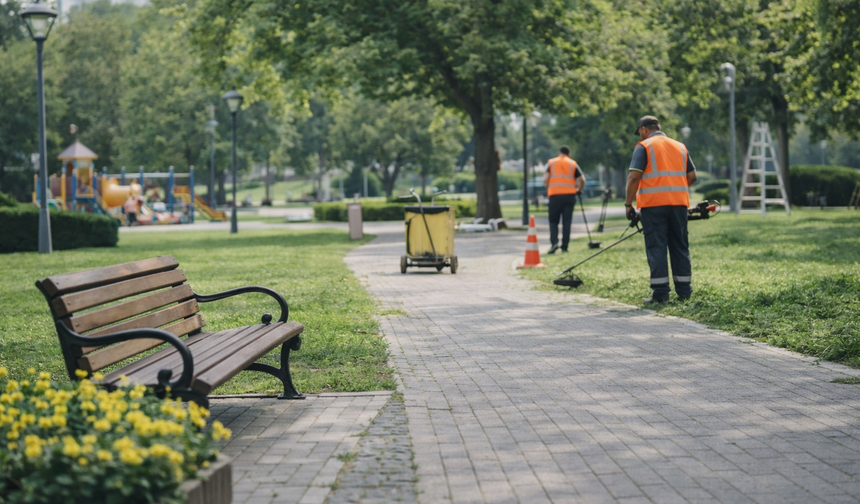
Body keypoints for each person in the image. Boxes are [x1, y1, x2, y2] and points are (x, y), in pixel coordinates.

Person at [625, 115, 697, 303]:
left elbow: (634, 177)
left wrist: (628, 204)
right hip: (679, 205)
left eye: (640, 133)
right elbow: (692, 176)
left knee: (656, 247)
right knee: (680, 246)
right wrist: (675, 190)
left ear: (644, 129)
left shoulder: (644, 147)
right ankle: (684, 292)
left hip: (654, 206)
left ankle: (660, 293)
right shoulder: (680, 146)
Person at [543, 146, 586, 254]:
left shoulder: (551, 163)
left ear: (559, 153)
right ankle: (564, 246)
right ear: (569, 154)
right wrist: (579, 190)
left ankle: (554, 243)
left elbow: (545, 179)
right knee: (567, 222)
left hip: (554, 196)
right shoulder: (572, 163)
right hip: (569, 196)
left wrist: (549, 187)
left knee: (553, 221)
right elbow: (582, 179)